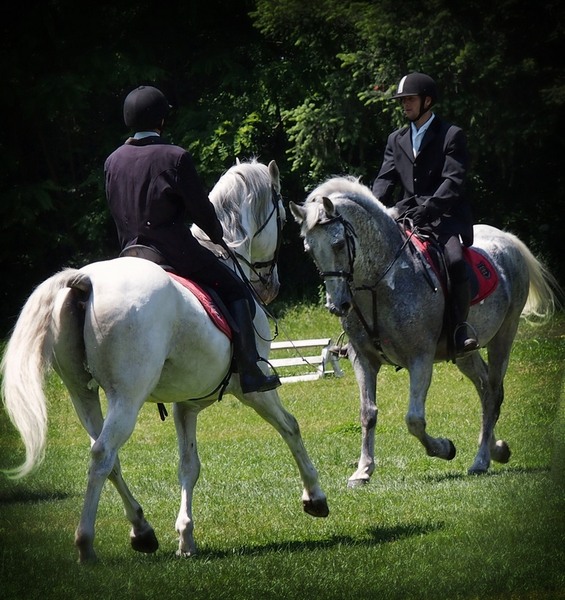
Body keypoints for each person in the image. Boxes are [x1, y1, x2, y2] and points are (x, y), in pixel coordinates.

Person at [105, 84, 280, 393]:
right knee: (236, 289)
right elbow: (200, 210)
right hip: (173, 253)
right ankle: (250, 370)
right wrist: (217, 236)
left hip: (129, 252)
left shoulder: (113, 161)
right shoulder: (175, 157)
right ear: (161, 120)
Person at [372, 72, 479, 354]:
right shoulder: (396, 139)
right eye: (402, 100)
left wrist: (428, 209)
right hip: (405, 215)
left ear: (427, 101)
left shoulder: (451, 135)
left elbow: (452, 182)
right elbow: (385, 179)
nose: (405, 104)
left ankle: (459, 328)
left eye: (410, 99)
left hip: (443, 217)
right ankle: (364, 332)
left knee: (455, 262)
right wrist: (372, 207)